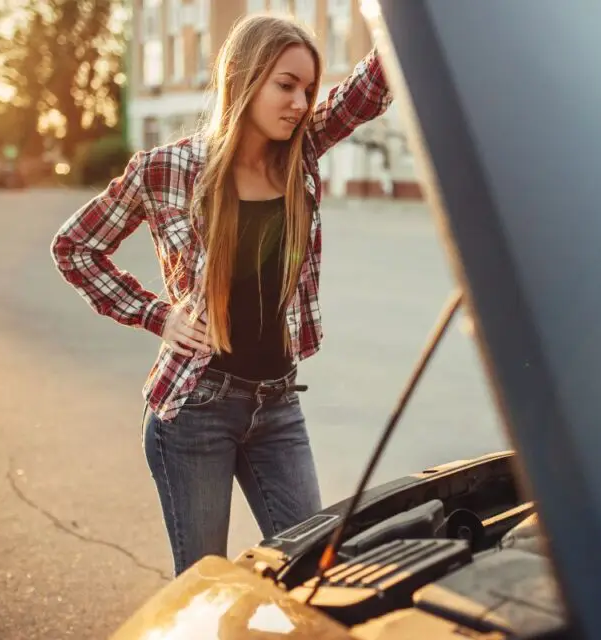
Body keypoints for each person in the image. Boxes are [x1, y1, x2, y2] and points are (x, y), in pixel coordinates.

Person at [50, 14, 392, 577]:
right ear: (243, 77)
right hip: (196, 409)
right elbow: (75, 247)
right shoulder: (166, 169)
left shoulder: (299, 153)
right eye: (286, 85)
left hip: (279, 405)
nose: (302, 102)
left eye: (308, 88)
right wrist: (156, 314)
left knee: (312, 573)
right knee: (204, 588)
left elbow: (369, 86)